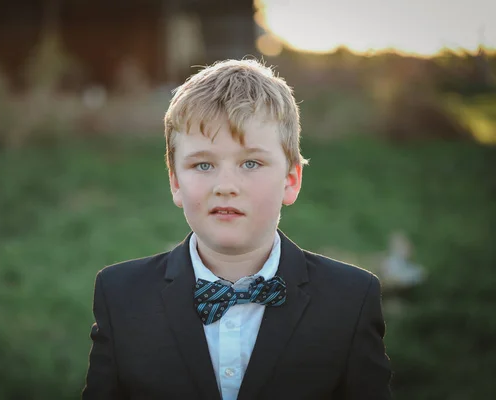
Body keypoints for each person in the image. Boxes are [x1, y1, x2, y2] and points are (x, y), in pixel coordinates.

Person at [82, 59, 392, 400]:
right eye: (203, 164)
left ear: (290, 181)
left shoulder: (350, 299)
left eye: (251, 163)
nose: (226, 185)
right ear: (175, 182)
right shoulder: (122, 296)